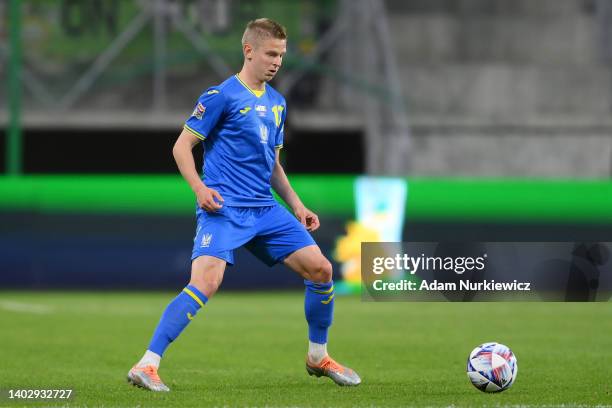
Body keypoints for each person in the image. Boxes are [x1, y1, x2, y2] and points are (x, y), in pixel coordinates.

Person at [127, 18, 361, 392]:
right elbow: (181, 147)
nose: (277, 62)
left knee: (321, 269)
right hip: (225, 208)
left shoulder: (278, 104)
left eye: (282, 55)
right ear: (248, 51)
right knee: (206, 281)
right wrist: (199, 188)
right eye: (271, 53)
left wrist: (298, 206)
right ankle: (147, 364)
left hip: (266, 210)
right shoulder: (221, 95)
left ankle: (318, 356)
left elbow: (273, 166)